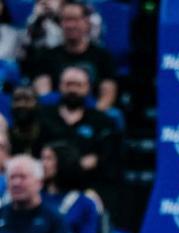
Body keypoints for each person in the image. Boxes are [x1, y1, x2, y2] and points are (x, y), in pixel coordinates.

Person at [38, 66, 120, 195]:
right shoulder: (43, 117)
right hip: (46, 184)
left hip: (89, 185)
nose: (73, 89)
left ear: (88, 88)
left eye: (78, 85)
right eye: (68, 84)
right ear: (60, 86)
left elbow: (103, 158)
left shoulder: (101, 120)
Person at [31, 0, 118, 111]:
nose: (70, 25)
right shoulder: (47, 56)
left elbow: (107, 96)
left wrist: (92, 116)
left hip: (93, 111)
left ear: (87, 23)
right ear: (60, 24)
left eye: (76, 20)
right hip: (57, 112)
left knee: (114, 114)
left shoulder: (103, 56)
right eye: (66, 20)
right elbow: (44, 95)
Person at [9, 87, 41, 157]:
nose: (21, 104)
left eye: (27, 99)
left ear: (37, 103)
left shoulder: (46, 132)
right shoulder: (8, 136)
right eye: (17, 99)